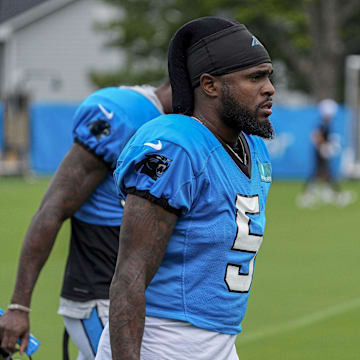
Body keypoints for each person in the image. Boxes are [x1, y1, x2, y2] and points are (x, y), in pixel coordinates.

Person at [96, 16, 275, 360]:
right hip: (162, 339)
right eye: (254, 77)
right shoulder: (177, 146)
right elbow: (130, 275)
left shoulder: (252, 147)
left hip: (218, 340)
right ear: (209, 85)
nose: (269, 88)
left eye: (268, 76)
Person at [0, 82, 172, 359]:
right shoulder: (124, 115)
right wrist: (19, 306)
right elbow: (51, 209)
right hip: (99, 295)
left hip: (136, 295)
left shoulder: (179, 127)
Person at [297, 98, 355, 207]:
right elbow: (316, 136)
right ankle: (331, 194)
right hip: (320, 152)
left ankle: (327, 194)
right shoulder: (323, 123)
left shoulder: (325, 123)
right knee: (321, 172)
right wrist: (324, 146)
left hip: (321, 151)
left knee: (323, 173)